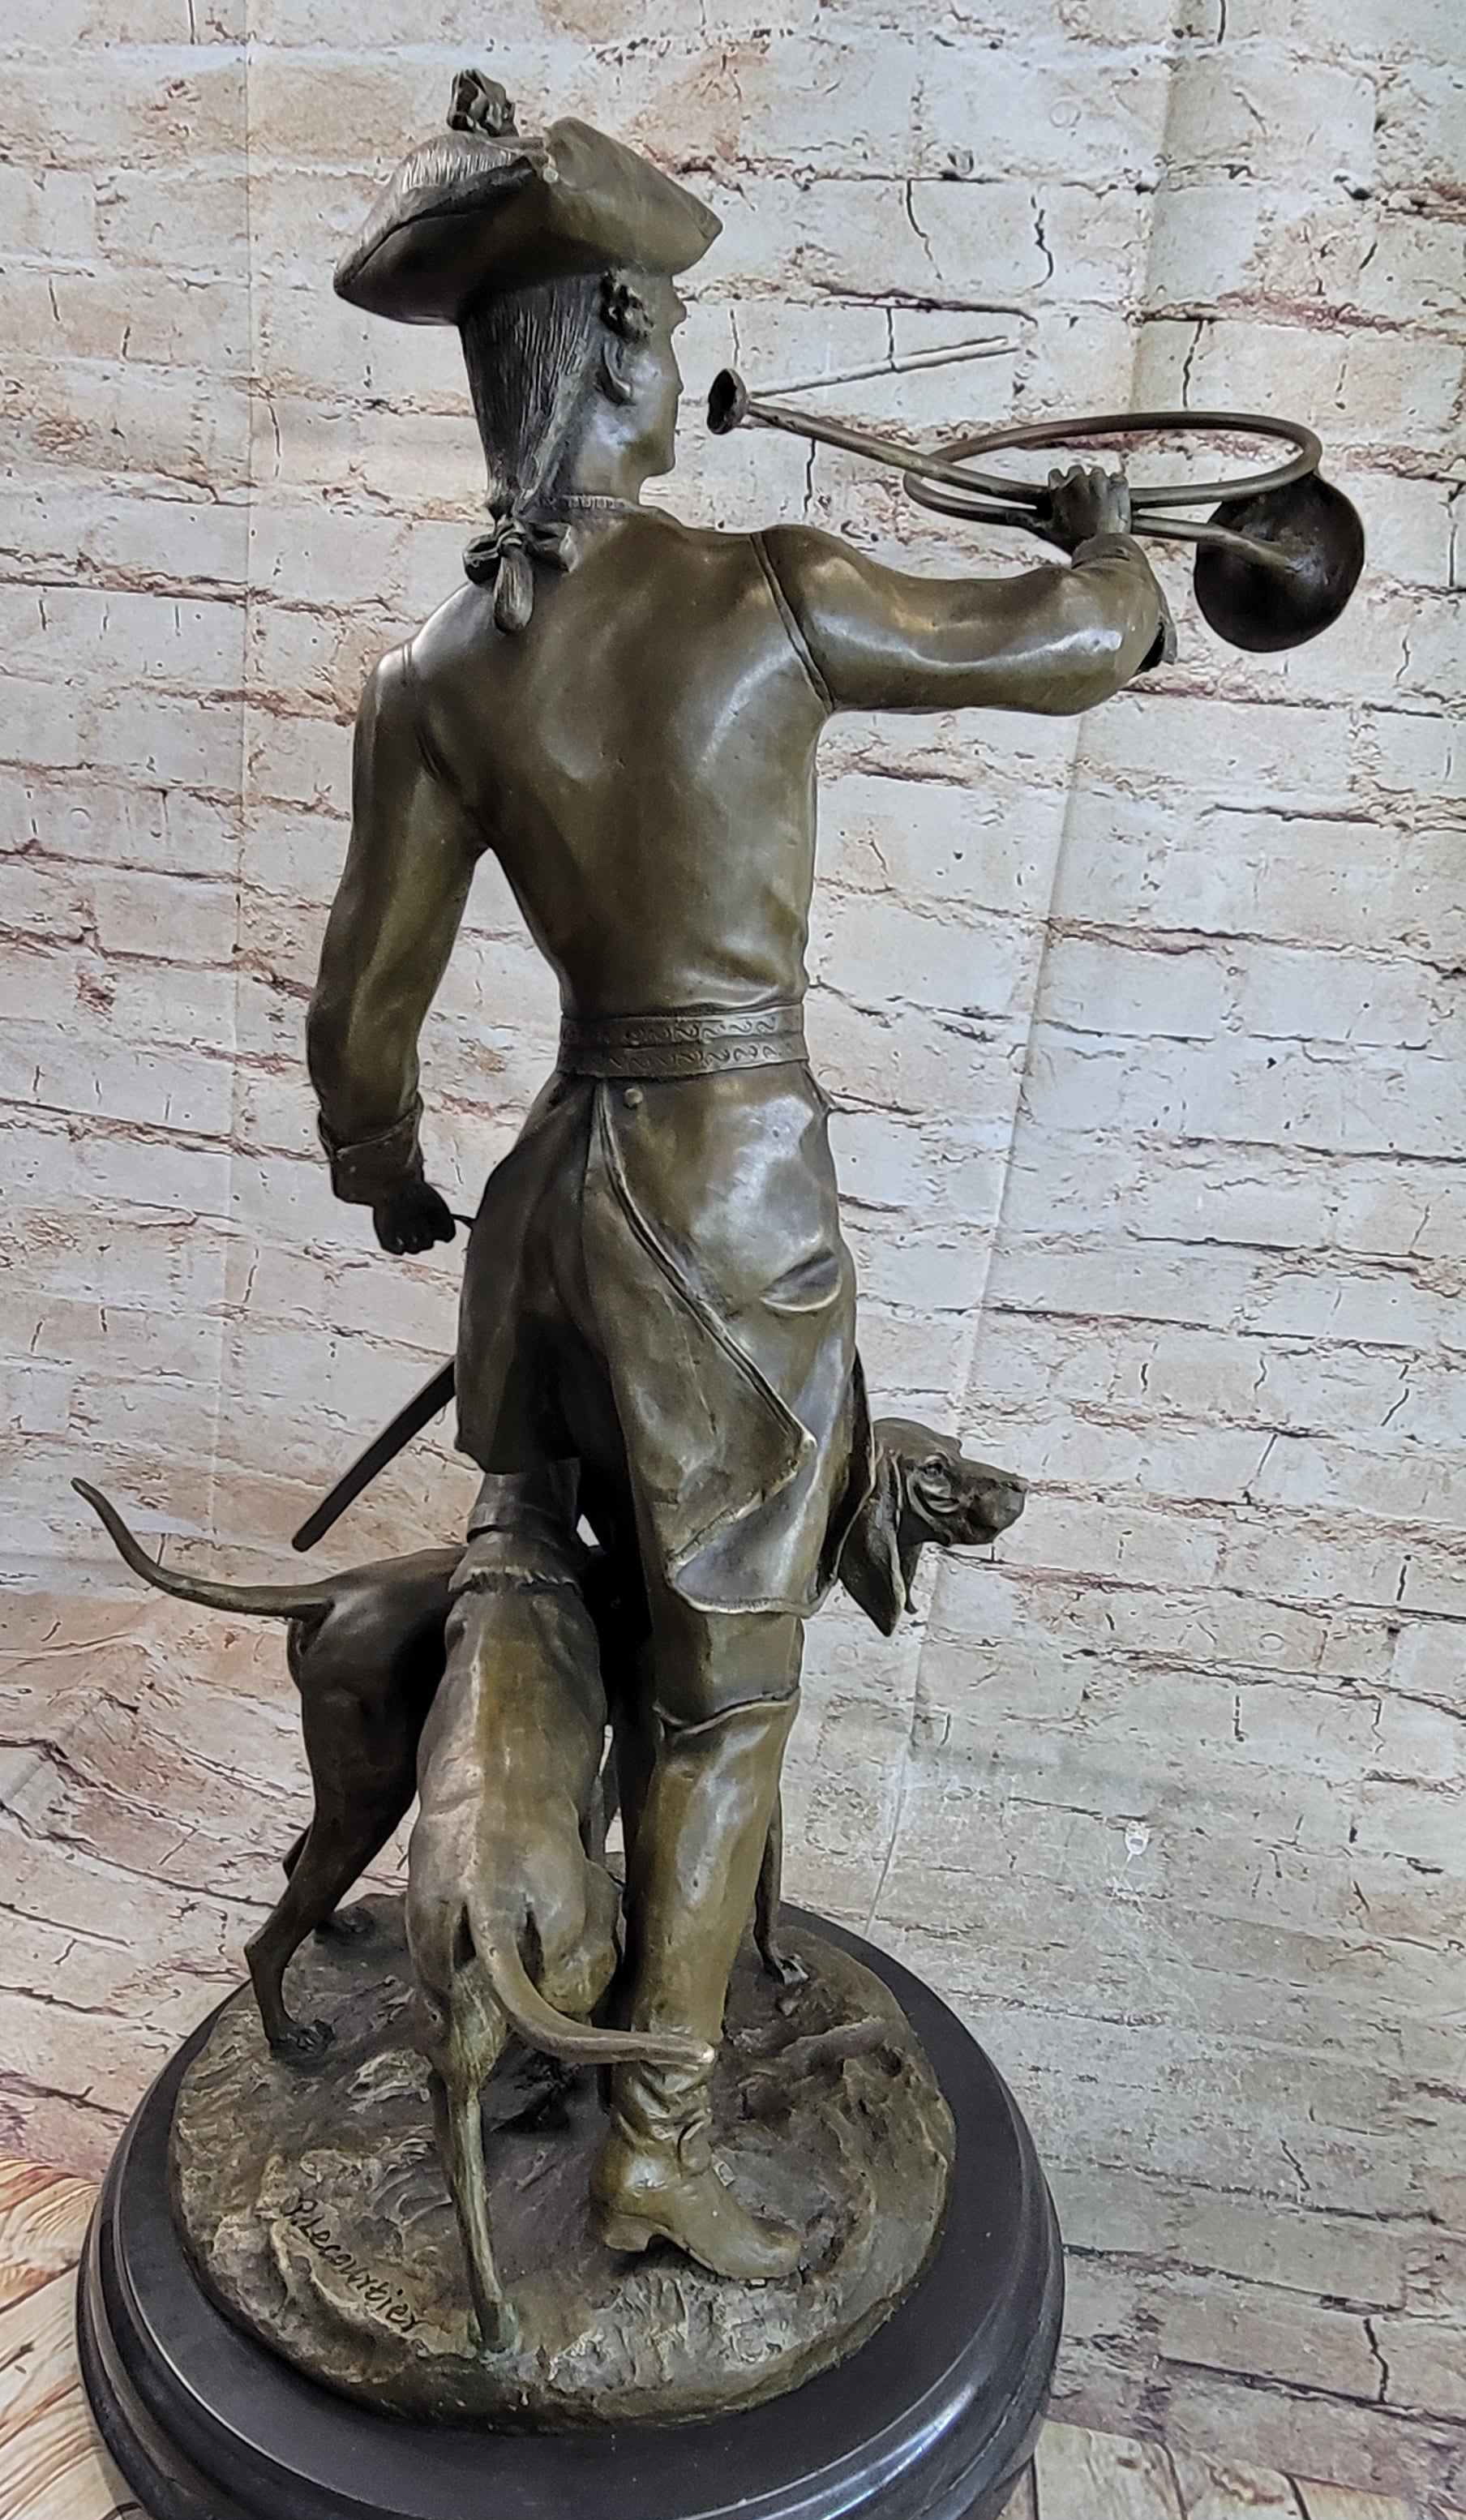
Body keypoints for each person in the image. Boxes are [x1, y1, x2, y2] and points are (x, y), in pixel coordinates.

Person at [308, 78, 1170, 2282]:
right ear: (612, 347)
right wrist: (1112, 551)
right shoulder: (768, 592)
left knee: (549, 1585)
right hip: (725, 1205)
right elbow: (1068, 650)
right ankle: (657, 2136)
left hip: (551, 1208)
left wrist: (388, 1175)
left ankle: (555, 1978)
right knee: (725, 1685)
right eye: (668, 327)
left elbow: (363, 1018)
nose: (684, 361)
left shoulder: (433, 673)